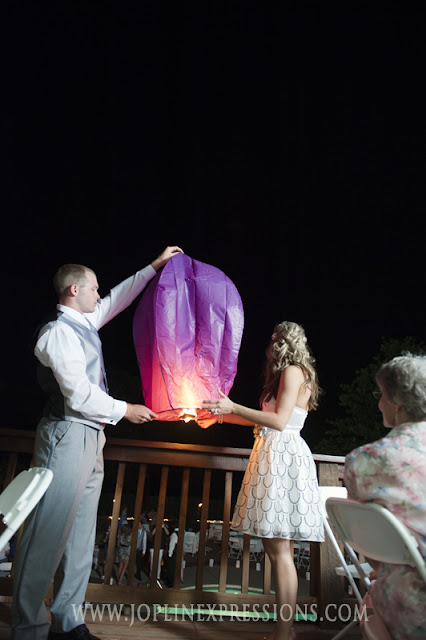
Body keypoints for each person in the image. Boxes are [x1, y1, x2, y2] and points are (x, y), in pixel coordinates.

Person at [11, 245, 183, 640]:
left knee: (80, 534)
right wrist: (126, 409)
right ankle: (28, 626)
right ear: (74, 290)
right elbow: (78, 394)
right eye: (93, 288)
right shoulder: (57, 332)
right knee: (47, 530)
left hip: (92, 436)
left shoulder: (85, 324)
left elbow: (119, 297)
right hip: (66, 432)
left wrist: (154, 266)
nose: (99, 294)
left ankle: (68, 620)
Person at [203, 321, 324, 640]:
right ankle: (285, 630)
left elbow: (280, 421)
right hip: (272, 453)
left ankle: (284, 632)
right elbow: (263, 419)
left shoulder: (293, 372)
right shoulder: (283, 375)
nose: (270, 346)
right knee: (275, 549)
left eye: (274, 340)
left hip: (283, 457)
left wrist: (232, 405)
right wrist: (220, 416)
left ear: (283, 343)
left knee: (281, 550)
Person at [344, 353, 426, 640]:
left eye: (381, 395)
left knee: (371, 606)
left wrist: (384, 567)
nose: (379, 403)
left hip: (410, 604)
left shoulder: (362, 461)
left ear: (396, 405)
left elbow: (370, 545)